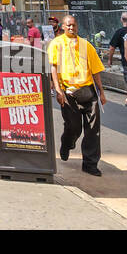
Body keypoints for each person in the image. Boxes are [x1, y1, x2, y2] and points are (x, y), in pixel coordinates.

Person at [48, 15, 106, 176]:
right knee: (73, 127)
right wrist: (58, 90)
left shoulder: (86, 45)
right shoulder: (56, 44)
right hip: (68, 92)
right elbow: (53, 67)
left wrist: (101, 92)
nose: (72, 28)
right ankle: (67, 144)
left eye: (74, 25)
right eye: (69, 25)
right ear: (63, 27)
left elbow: (95, 70)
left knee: (93, 130)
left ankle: (90, 163)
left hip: (88, 91)